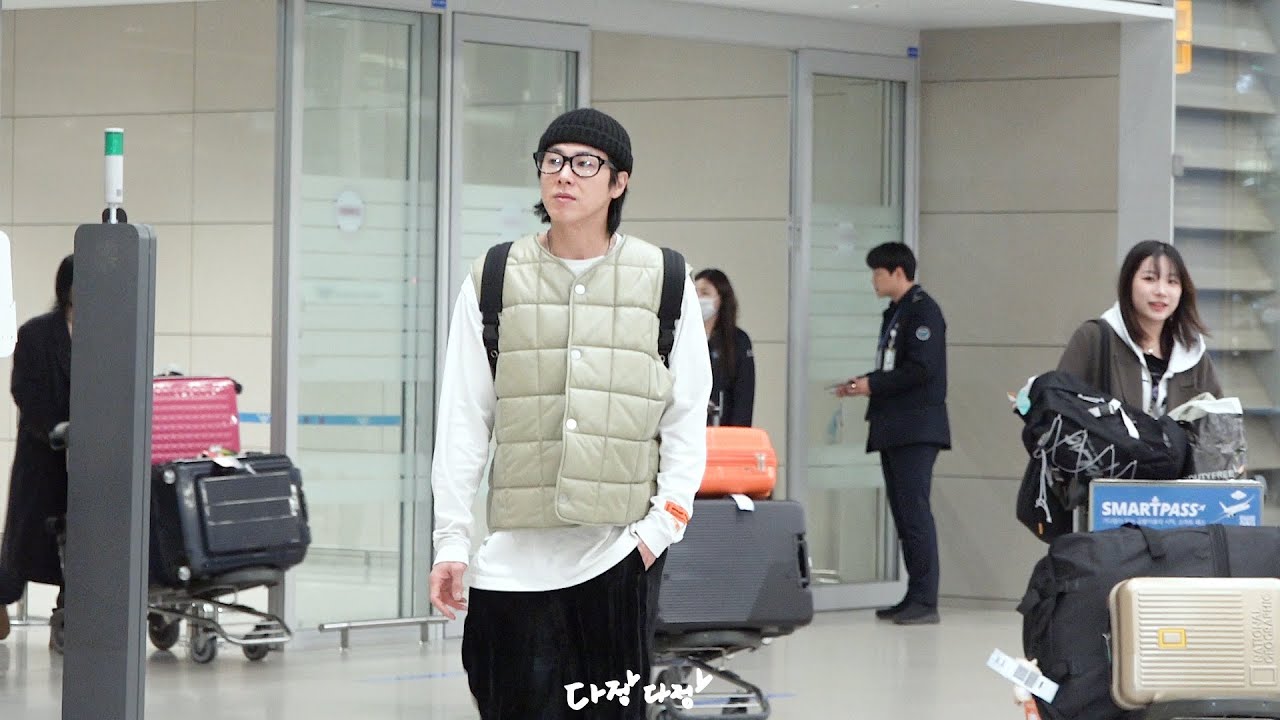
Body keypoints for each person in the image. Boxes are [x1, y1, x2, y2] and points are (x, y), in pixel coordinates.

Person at [427, 107, 712, 719]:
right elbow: (463, 418)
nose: (564, 174)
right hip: (510, 566)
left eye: (586, 163)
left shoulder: (665, 278)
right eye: (553, 161)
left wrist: (659, 530)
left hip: (616, 557)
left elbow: (686, 416)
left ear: (619, 182)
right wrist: (451, 538)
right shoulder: (494, 276)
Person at [835, 242, 949, 626]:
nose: (873, 280)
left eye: (878, 272)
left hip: (916, 429)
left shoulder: (923, 311)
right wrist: (865, 383)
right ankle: (914, 594)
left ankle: (926, 599)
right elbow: (894, 367)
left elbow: (921, 369)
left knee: (915, 513)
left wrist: (874, 384)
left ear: (898, 272)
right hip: (894, 428)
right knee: (903, 514)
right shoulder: (897, 312)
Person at [1057, 240, 1220, 417]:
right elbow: (1058, 407)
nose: (1161, 291)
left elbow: (1218, 424)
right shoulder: (1094, 338)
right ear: (1128, 283)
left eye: (1172, 281)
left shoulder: (1191, 353)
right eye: (1149, 279)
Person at [0, 254, 74, 645]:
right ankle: (2, 598)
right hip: (44, 456)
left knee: (77, 541)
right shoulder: (36, 334)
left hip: (87, 461)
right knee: (26, 542)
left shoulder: (108, 336)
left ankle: (68, 611)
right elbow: (24, 391)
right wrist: (55, 428)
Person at [694, 269, 755, 426]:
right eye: (695, 292)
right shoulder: (683, 337)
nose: (698, 298)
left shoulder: (738, 340)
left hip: (723, 427)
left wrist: (738, 435)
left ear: (721, 299)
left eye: (705, 293)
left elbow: (744, 396)